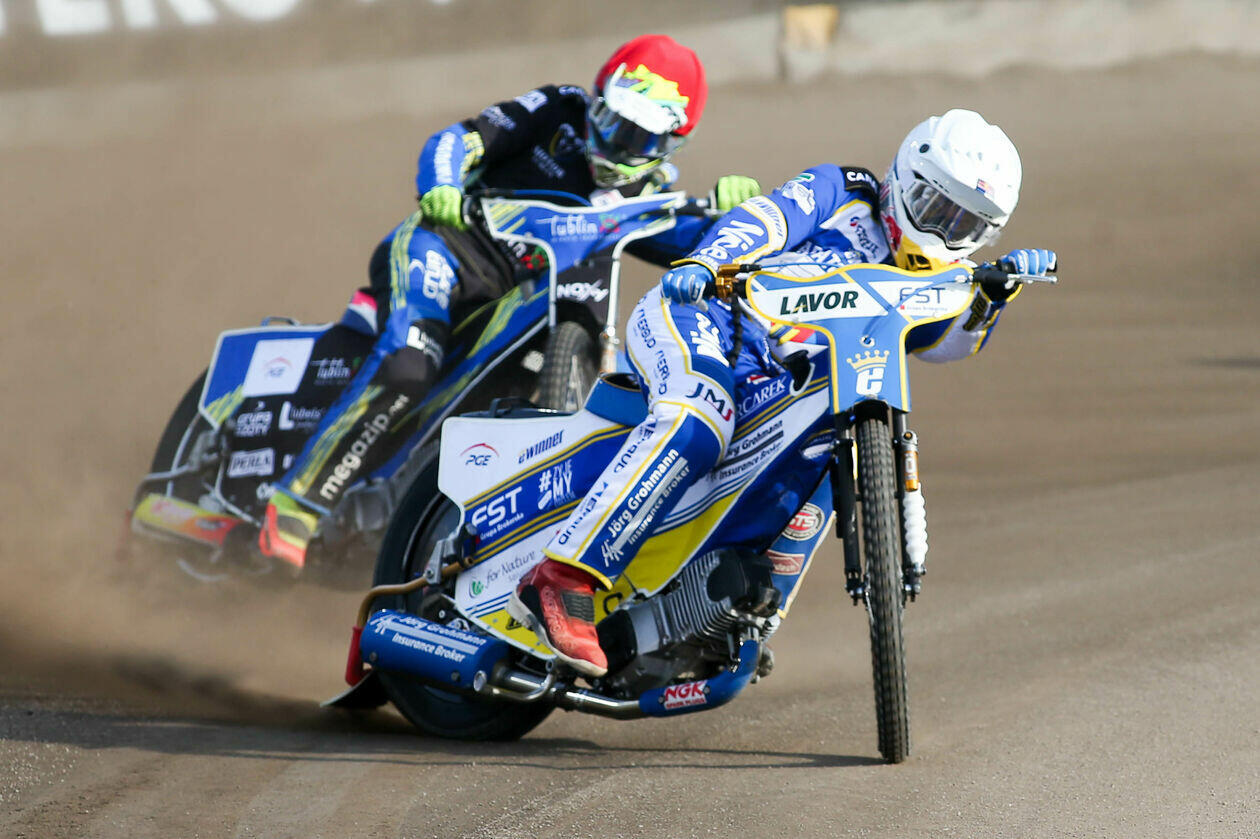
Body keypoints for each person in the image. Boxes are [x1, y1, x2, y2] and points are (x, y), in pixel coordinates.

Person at [509, 108, 1058, 677]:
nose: (943, 232)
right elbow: (765, 219)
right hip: (707, 317)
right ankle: (562, 577)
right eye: (936, 209)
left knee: (825, 458)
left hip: (779, 379)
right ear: (904, 181)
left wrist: (990, 298)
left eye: (965, 226)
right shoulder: (845, 191)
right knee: (701, 417)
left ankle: (703, 620)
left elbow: (942, 345)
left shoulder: (933, 280)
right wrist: (709, 261)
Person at [257, 34, 762, 570]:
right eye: (614, 122)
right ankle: (295, 505)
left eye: (642, 137)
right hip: (447, 249)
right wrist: (441, 185)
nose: (619, 145)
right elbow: (458, 139)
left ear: (673, 143)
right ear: (596, 99)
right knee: (410, 365)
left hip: (527, 304)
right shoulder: (555, 110)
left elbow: (710, 253)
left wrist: (738, 212)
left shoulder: (652, 200)